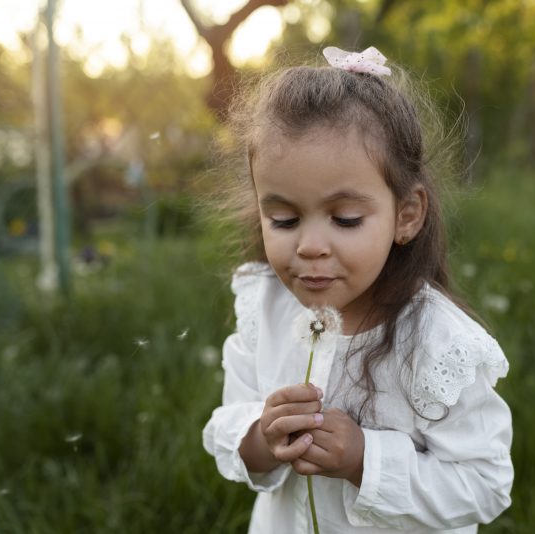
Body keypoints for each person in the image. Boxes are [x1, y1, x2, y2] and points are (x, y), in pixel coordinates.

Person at [203, 46, 513, 533]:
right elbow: (228, 421)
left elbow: (484, 483)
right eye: (282, 219)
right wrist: (262, 438)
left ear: (406, 215)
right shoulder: (263, 306)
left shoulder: (439, 345)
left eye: (345, 219)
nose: (309, 246)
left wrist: (365, 460)